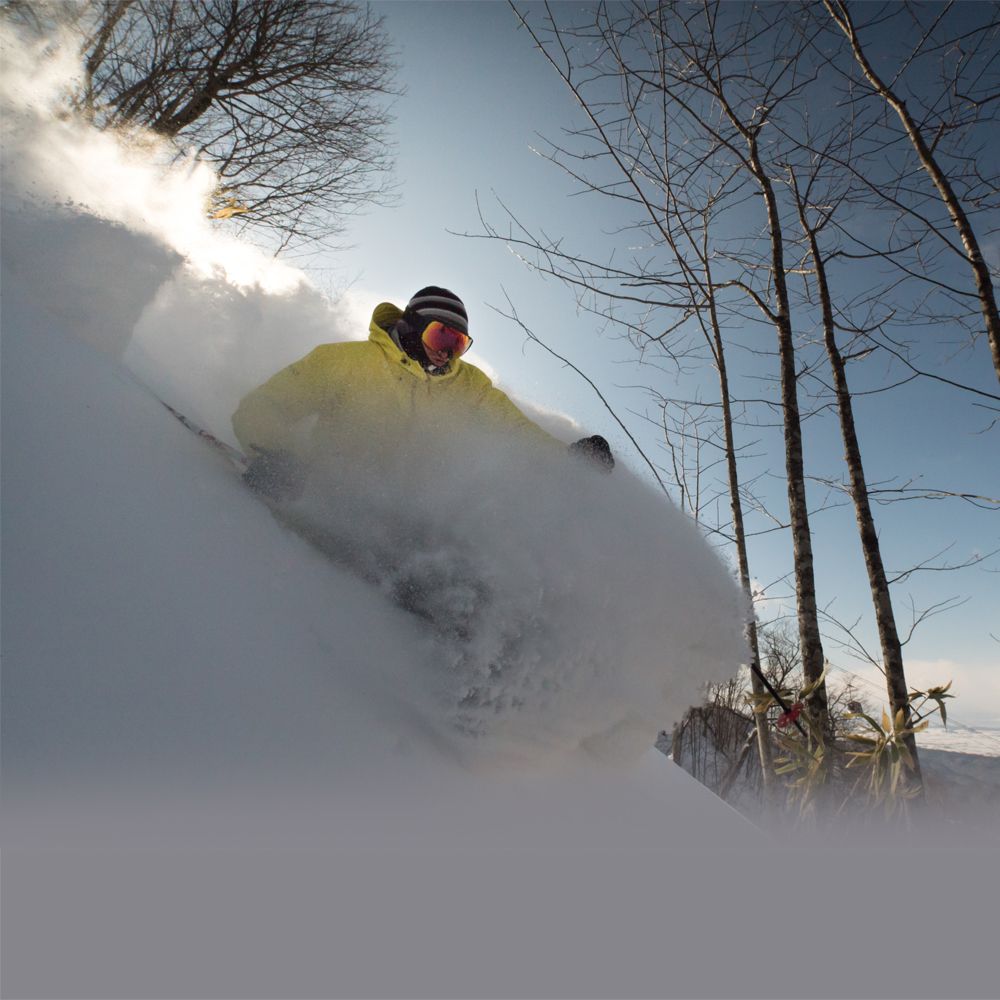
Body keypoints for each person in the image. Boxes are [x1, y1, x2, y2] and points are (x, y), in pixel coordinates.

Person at [232, 286, 614, 500]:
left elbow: (512, 429)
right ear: (411, 325)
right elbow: (267, 405)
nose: (447, 351)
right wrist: (275, 453)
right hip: (328, 492)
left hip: (407, 514)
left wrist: (569, 458)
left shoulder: (468, 387)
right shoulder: (347, 360)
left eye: (459, 342)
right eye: (441, 334)